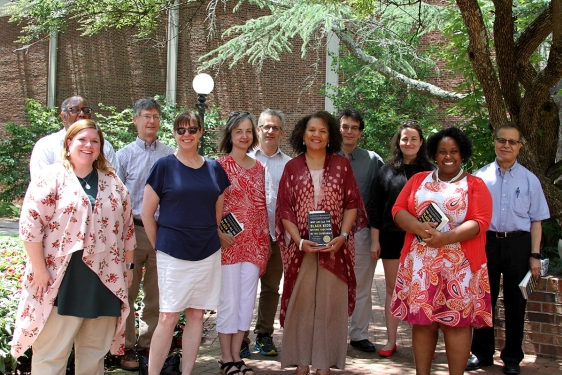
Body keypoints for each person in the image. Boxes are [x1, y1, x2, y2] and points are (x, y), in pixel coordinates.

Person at [12, 119, 135, 374]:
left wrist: (128, 267)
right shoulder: (51, 177)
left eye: (94, 141)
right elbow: (30, 226)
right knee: (51, 354)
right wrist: (39, 270)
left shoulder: (112, 182)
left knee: (93, 355)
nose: (88, 145)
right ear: (69, 143)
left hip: (105, 279)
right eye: (82, 139)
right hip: (61, 278)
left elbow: (127, 230)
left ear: (101, 147)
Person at [390, 127, 493, 375]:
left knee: (456, 325)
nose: (448, 156)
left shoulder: (475, 184)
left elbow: (480, 222)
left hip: (460, 268)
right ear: (434, 154)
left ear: (462, 154)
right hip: (422, 266)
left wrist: (445, 238)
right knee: (423, 324)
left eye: (454, 151)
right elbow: (398, 209)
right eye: (442, 152)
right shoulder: (418, 180)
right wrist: (418, 227)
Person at [276, 111, 367, 375]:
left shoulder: (342, 165)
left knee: (330, 307)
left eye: (323, 131)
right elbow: (284, 210)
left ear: (330, 137)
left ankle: (324, 363)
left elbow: (352, 203)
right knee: (301, 305)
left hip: (335, 249)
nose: (317, 135)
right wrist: (299, 241)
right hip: (302, 250)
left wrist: (344, 236)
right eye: (312, 130)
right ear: (303, 135)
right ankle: (302, 362)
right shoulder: (291, 167)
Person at [141, 111, 229, 375]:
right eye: (181, 130)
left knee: (196, 315)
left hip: (207, 252)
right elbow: (147, 213)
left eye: (192, 129)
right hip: (173, 252)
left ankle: (187, 372)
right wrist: (160, 246)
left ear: (200, 132)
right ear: (175, 134)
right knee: (167, 317)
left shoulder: (214, 168)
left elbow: (217, 213)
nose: (186, 134)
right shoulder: (164, 166)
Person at [468, 124, 550, 375]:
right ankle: (481, 354)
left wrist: (534, 255)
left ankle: (512, 358)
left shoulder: (529, 180)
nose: (506, 145)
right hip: (487, 243)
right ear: (494, 142)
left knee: (516, 302)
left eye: (512, 142)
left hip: (519, 244)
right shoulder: (479, 177)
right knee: (484, 300)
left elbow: (536, 219)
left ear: (519, 147)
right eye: (501, 140)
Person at [116, 98, 175, 370]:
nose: (151, 121)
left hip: (163, 233)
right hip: (133, 231)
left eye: (155, 116)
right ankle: (126, 347)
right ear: (135, 120)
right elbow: (115, 198)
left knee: (156, 292)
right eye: (146, 116)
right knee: (127, 292)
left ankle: (149, 345)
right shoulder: (124, 155)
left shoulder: (170, 154)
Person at [367, 120, 435, 357]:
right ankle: (390, 340)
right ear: (399, 142)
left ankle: (425, 344)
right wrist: (375, 240)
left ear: (421, 142)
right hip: (391, 237)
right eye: (405, 138)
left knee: (423, 290)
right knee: (392, 289)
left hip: (422, 239)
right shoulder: (387, 170)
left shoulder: (430, 171)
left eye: (414, 138)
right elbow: (375, 206)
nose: (409, 143)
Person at [216, 111, 270, 375]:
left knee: (247, 301)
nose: (244, 136)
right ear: (230, 134)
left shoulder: (260, 168)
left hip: (254, 244)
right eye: (239, 131)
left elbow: (261, 208)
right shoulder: (218, 165)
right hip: (228, 243)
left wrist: (264, 244)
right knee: (229, 300)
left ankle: (237, 355)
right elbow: (211, 203)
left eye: (249, 131)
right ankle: (226, 357)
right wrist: (216, 232)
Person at [242, 109, 291, 357]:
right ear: (257, 130)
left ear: (282, 132)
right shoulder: (244, 158)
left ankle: (264, 336)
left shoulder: (290, 164)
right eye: (265, 126)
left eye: (275, 127)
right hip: (248, 239)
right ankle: (240, 338)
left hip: (277, 239)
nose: (270, 131)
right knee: (245, 288)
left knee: (271, 289)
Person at [336, 108, 383, 353]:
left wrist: (377, 237)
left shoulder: (373, 160)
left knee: (362, 284)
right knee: (333, 284)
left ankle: (359, 335)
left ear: (360, 133)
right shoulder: (325, 156)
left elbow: (381, 198)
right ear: (338, 129)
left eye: (354, 128)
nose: (349, 132)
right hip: (330, 234)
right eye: (345, 126)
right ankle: (333, 333)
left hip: (362, 233)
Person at [29, 95, 120, 180]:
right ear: (64, 116)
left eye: (86, 110)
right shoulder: (46, 146)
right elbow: (40, 184)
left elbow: (113, 182)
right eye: (75, 110)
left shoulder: (104, 146)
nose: (81, 114)